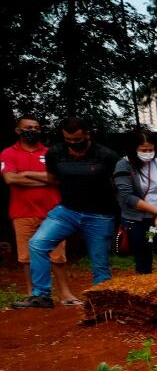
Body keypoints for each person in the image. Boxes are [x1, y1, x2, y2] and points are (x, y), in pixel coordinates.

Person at [13, 118, 118, 309]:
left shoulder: (106, 155)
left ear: (87, 134)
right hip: (67, 210)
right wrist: (29, 174)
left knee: (99, 260)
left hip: (99, 215)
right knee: (37, 244)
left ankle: (102, 302)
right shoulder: (56, 152)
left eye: (77, 140)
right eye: (68, 140)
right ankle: (42, 296)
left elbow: (118, 184)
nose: (72, 144)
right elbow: (53, 179)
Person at [2, 114, 77, 305]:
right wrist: (44, 179)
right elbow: (10, 179)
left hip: (53, 213)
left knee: (57, 255)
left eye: (36, 128)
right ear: (18, 130)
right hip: (22, 212)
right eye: (28, 127)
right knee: (26, 257)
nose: (32, 131)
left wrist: (26, 175)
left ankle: (65, 295)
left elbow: (57, 179)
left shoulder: (51, 152)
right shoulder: (8, 153)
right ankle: (33, 294)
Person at [113, 130, 157, 279]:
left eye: (151, 149)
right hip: (138, 221)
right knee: (143, 259)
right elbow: (127, 197)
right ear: (133, 149)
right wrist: (156, 212)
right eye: (143, 150)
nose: (148, 153)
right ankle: (146, 297)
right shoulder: (123, 165)